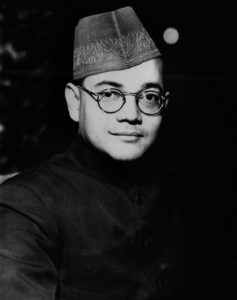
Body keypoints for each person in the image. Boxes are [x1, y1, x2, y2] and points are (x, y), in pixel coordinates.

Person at [0, 6, 188, 299]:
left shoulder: (181, 195)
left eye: (149, 97)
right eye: (110, 94)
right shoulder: (28, 204)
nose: (132, 114)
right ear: (75, 103)